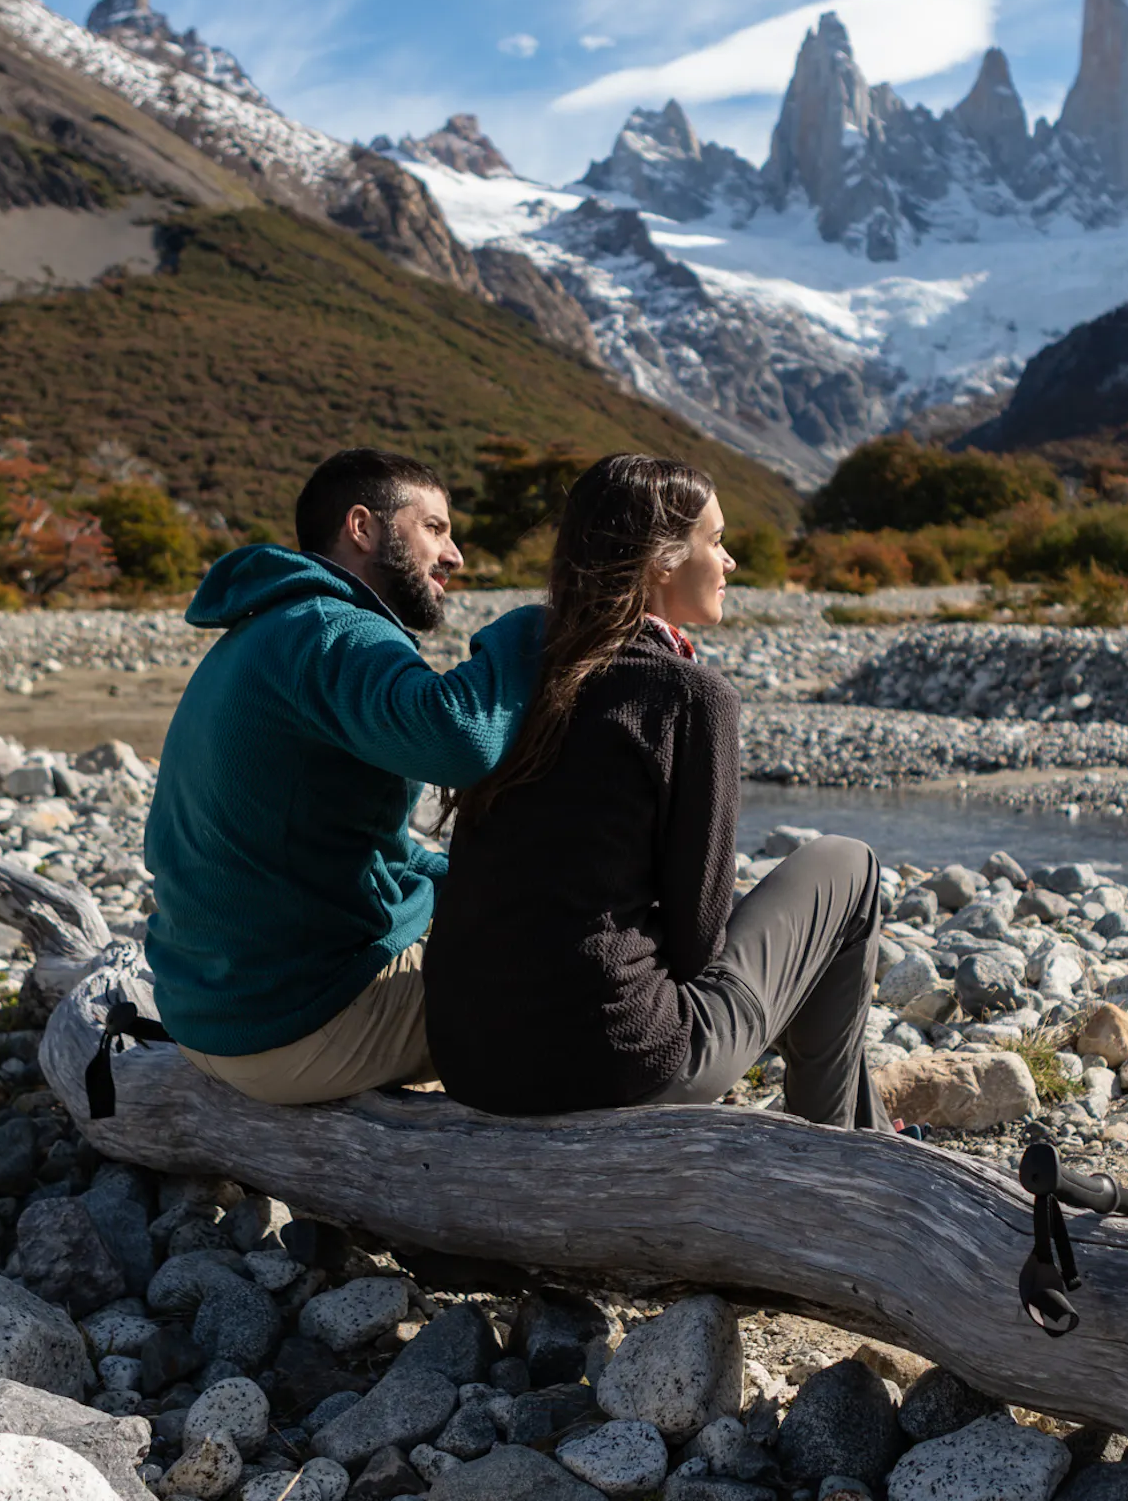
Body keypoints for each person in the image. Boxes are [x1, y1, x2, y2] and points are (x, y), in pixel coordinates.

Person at [430, 453, 884, 1127]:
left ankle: (863, 1135)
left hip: (470, 1059)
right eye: (718, 541)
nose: (729, 564)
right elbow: (699, 942)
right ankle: (837, 1149)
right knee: (848, 866)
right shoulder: (688, 695)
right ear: (662, 561)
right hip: (616, 1063)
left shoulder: (520, 671)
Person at [145, 448, 541, 1105]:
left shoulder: (270, 627)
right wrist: (537, 626)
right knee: (604, 988)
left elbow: (354, 837)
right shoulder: (334, 630)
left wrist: (477, 883)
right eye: (435, 529)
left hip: (208, 1016)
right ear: (362, 528)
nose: (455, 556)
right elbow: (457, 739)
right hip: (292, 1029)